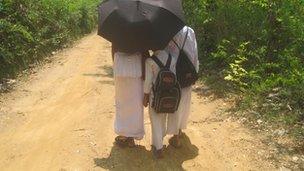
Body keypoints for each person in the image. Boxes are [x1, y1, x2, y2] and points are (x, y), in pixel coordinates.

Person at [166, 26, 199, 148]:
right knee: (184, 102)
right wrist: (194, 72)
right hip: (187, 71)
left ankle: (175, 135)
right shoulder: (190, 31)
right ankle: (179, 130)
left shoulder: (168, 31)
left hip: (172, 72)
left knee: (175, 101)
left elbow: (165, 52)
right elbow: (194, 52)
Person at [112, 44, 149, 147]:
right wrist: (145, 74)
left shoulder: (117, 30)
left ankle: (124, 135)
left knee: (122, 103)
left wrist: (117, 66)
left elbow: (114, 49)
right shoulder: (140, 30)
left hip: (120, 67)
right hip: (136, 68)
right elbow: (145, 53)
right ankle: (132, 135)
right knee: (135, 104)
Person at [143, 49, 178, 158]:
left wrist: (145, 96)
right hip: (169, 94)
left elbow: (148, 81)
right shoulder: (173, 58)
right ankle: (159, 140)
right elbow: (174, 77)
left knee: (155, 120)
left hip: (156, 95)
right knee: (163, 117)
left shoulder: (150, 61)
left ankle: (158, 148)